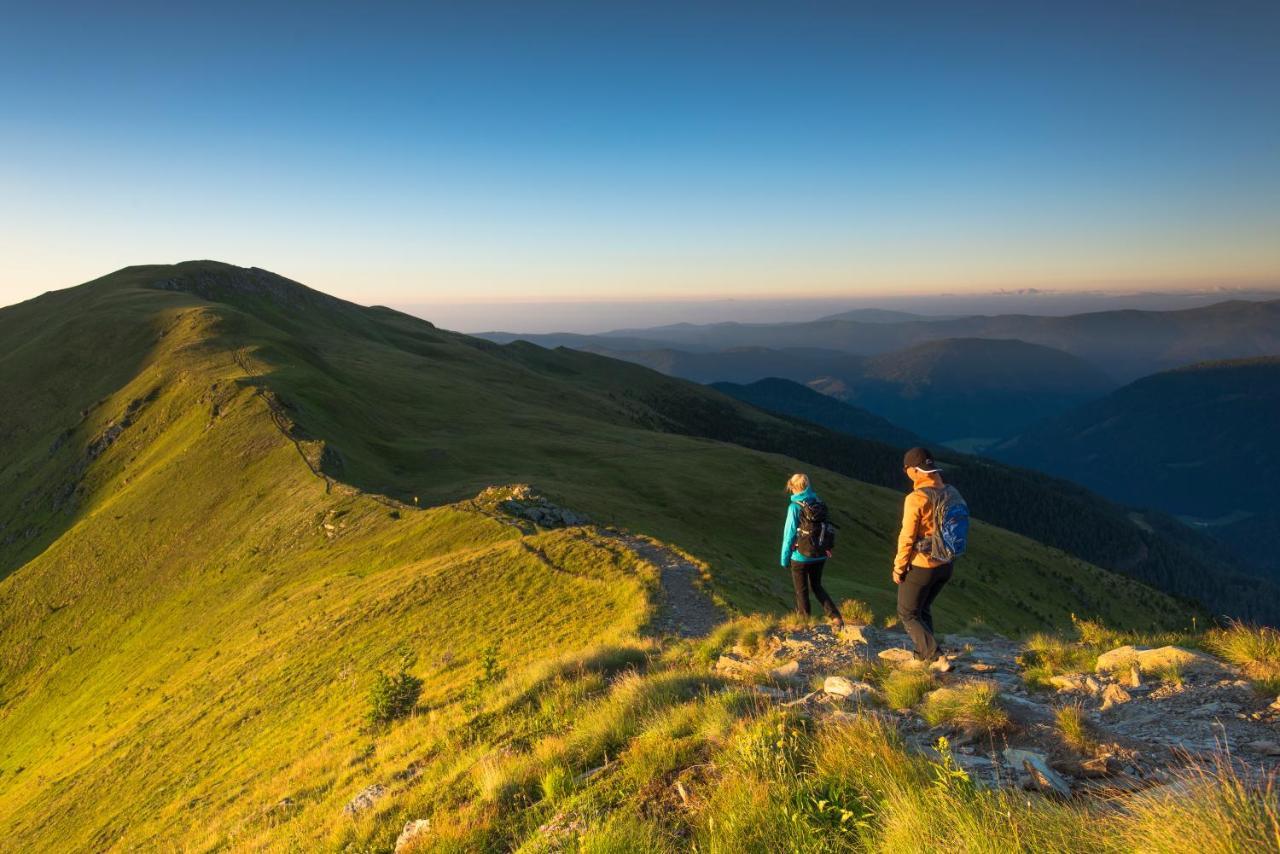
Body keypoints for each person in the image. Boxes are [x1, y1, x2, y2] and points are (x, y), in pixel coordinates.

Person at [893, 447, 954, 665]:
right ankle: (923, 654)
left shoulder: (916, 498)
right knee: (923, 607)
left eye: (907, 468)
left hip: (923, 564)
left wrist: (899, 567)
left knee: (907, 612)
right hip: (946, 563)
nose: (906, 472)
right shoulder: (951, 492)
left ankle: (936, 657)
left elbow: (907, 536)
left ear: (916, 470)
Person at [781, 473, 844, 629]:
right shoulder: (818, 503)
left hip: (800, 556)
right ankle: (835, 616)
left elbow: (789, 535)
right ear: (808, 485)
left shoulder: (795, 507)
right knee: (817, 586)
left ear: (793, 487)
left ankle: (804, 622)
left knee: (801, 591)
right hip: (819, 554)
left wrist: (784, 558)